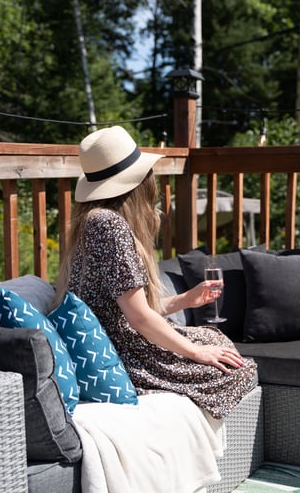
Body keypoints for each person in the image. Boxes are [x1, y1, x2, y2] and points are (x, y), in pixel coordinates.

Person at [55, 125, 257, 419]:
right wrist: (196, 353)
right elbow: (138, 318)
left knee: (215, 340)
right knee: (238, 370)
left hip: (121, 340)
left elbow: (127, 309)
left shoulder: (92, 221)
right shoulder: (109, 225)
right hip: (125, 352)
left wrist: (186, 300)